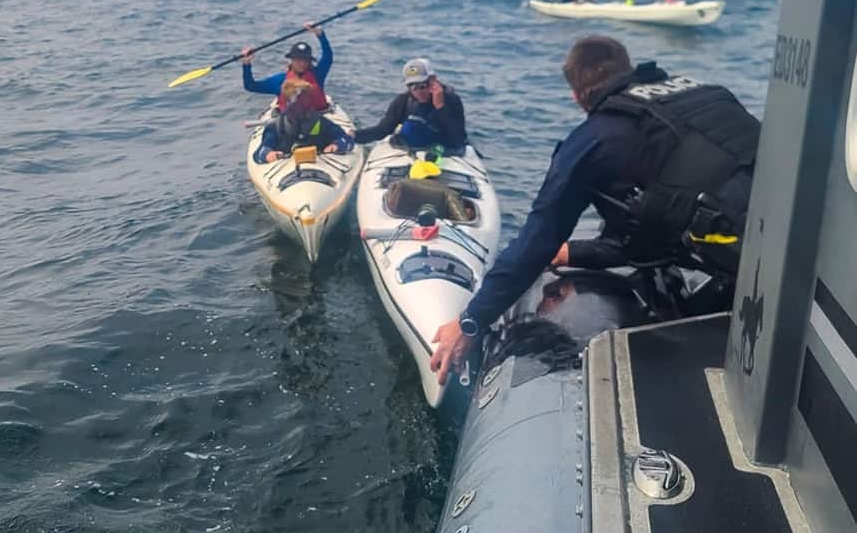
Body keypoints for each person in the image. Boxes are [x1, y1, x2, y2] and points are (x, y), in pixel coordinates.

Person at [428, 35, 760, 384]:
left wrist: (470, 322)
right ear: (626, 67)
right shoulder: (709, 93)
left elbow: (534, 243)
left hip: (746, 261)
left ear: (576, 95)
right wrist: (580, 251)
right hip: (791, 229)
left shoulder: (594, 139)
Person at [354, 58, 467, 151]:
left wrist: (440, 107)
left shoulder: (452, 100)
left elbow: (459, 138)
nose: (419, 92)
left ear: (433, 80)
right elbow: (382, 130)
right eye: (413, 87)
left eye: (423, 85)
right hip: (412, 148)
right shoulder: (403, 101)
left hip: (443, 148)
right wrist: (354, 136)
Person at [254, 81, 353, 164]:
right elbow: (260, 152)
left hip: (318, 162)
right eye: (300, 102)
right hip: (287, 165)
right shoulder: (276, 127)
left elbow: (345, 139)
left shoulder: (321, 122)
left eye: (306, 101)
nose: (305, 106)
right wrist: (268, 154)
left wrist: (336, 145)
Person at [241, 23, 331, 113]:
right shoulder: (280, 80)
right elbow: (250, 85)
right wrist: (246, 64)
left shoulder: (318, 74)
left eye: (305, 60)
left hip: (317, 118)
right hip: (290, 123)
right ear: (291, 60)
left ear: (310, 61)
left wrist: (320, 34)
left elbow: (328, 57)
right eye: (298, 59)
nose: (302, 63)